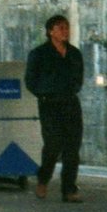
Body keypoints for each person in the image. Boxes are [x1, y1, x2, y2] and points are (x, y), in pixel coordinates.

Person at [24, 14, 84, 202]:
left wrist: (72, 90)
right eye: (60, 28)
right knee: (53, 144)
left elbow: (79, 77)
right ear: (51, 31)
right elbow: (30, 80)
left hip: (70, 103)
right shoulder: (39, 53)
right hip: (49, 104)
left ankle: (69, 189)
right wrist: (43, 94)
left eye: (67, 27)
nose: (65, 31)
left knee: (72, 148)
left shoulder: (74, 53)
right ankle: (43, 179)